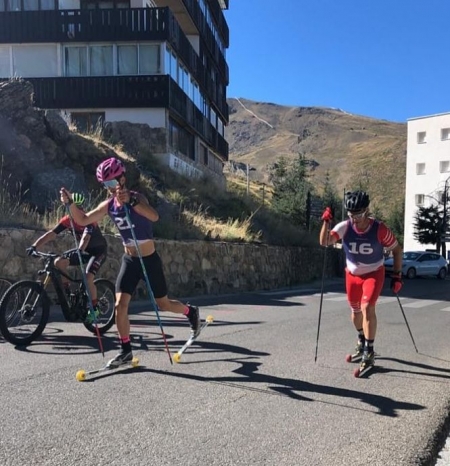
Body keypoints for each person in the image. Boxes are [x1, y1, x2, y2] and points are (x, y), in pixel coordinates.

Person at [59, 157, 201, 368]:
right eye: (105, 185)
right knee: (119, 305)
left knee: (164, 304)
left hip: (149, 260)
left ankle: (190, 312)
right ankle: (125, 351)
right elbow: (83, 219)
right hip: (130, 260)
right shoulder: (108, 205)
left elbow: (154, 217)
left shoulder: (137, 197)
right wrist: (69, 204)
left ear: (122, 179)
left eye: (112, 183)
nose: (109, 188)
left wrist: (132, 203)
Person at [319, 190, 403, 370]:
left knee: (367, 308)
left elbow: (397, 250)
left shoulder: (379, 229)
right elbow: (325, 241)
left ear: (367, 211)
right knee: (355, 312)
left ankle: (369, 350)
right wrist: (326, 222)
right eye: (351, 215)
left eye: (358, 214)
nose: (355, 218)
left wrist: (397, 275)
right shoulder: (345, 227)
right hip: (352, 275)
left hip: (373, 274)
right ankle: (361, 339)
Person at [26, 193, 108, 323]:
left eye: (79, 208)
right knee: (59, 262)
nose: (77, 211)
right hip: (84, 251)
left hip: (98, 252)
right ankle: (67, 292)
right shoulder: (67, 220)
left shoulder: (89, 220)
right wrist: (35, 246)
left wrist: (80, 250)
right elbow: (51, 234)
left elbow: (86, 238)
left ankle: (94, 308)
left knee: (88, 278)